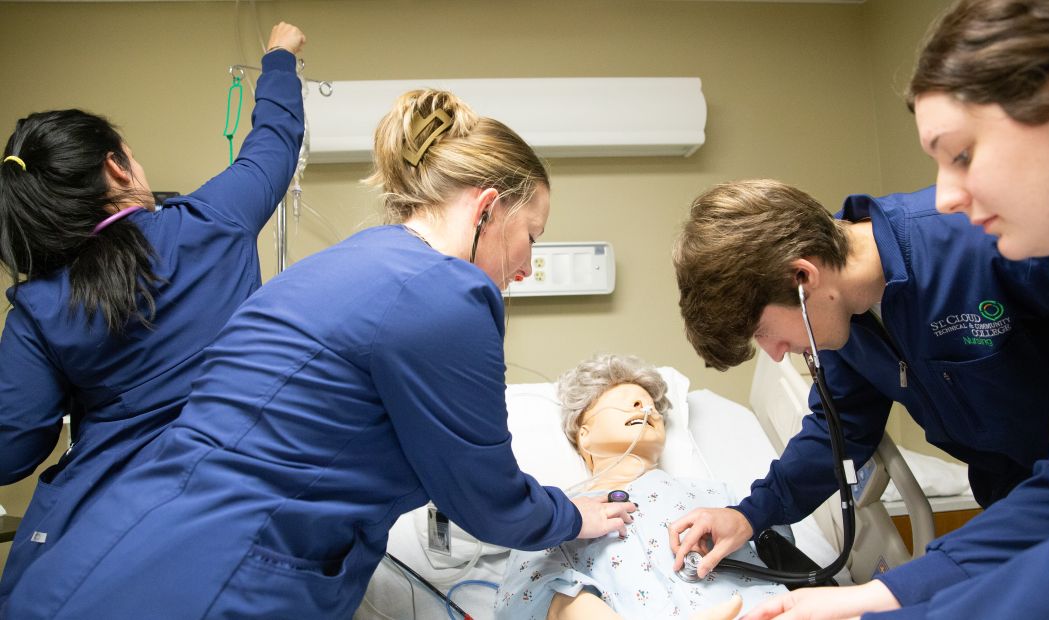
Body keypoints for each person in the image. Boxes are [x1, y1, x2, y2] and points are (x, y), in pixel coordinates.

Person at [4, 88, 635, 620]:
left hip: (108, 549)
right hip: (224, 578)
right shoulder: (447, 291)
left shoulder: (341, 263)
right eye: (531, 236)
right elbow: (489, 501)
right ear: (489, 207)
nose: (526, 265)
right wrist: (569, 515)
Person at [741, 1, 1049, 618]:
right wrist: (873, 598)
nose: (947, 196)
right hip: (1029, 505)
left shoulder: (1016, 251)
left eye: (961, 154)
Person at [0, 22, 306, 609]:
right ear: (116, 169)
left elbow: (13, 450)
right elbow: (273, 141)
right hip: (233, 510)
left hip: (99, 537)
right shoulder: (213, 223)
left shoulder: (37, 308)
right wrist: (279, 59)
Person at [668, 178, 1049, 581]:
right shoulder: (845, 320)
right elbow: (841, 428)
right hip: (1022, 503)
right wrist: (749, 515)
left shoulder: (979, 239)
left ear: (803, 278)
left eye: (763, 331)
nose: (774, 353)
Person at [494, 354, 785, 620]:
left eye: (650, 403)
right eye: (624, 399)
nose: (644, 407)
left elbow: (780, 543)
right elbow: (524, 592)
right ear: (584, 434)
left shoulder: (715, 495)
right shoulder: (550, 512)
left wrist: (748, 520)